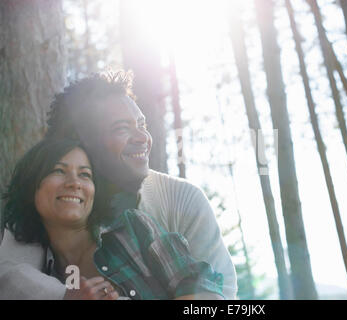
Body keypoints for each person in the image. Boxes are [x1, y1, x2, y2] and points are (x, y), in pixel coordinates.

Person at [0, 71, 237, 299]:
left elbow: (217, 293)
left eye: (142, 125)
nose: (143, 137)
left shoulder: (175, 203)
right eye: (122, 128)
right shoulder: (44, 206)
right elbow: (12, 279)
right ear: (81, 144)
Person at [1, 138, 224, 300]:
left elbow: (197, 282)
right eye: (59, 171)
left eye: (85, 174)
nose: (74, 183)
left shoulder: (131, 228)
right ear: (31, 185)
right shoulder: (37, 275)